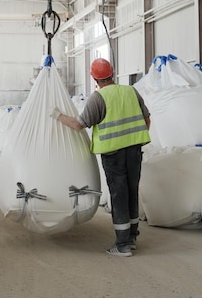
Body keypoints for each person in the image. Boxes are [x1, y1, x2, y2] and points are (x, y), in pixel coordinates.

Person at [51, 58, 151, 257]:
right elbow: (147, 119)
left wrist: (58, 116)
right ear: (112, 73)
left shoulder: (98, 98)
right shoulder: (131, 91)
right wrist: (134, 139)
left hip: (113, 154)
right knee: (132, 191)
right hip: (134, 151)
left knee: (118, 195)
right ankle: (131, 238)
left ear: (93, 77)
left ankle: (122, 245)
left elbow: (80, 124)